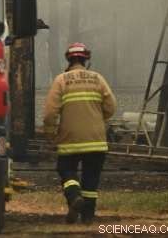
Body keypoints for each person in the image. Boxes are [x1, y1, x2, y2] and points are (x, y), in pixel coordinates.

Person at [43, 42, 117, 224]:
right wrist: (98, 119)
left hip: (70, 140)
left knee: (66, 170)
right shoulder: (98, 79)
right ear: (86, 60)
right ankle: (88, 217)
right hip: (97, 141)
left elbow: (50, 113)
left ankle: (74, 196)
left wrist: (51, 134)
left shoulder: (61, 80)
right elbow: (111, 107)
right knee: (91, 179)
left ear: (68, 59)